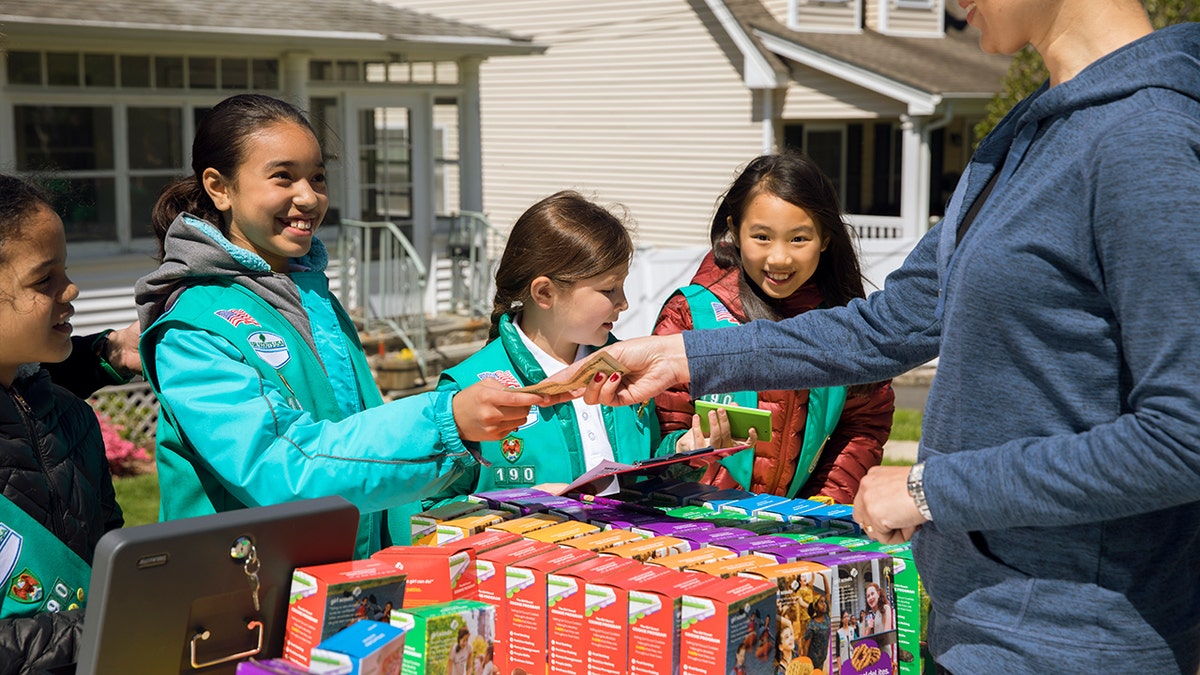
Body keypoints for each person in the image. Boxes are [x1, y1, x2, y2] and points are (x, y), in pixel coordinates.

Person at [563, 2, 1200, 671]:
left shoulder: (1146, 137)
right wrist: (682, 355)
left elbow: (1183, 434)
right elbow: (890, 323)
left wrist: (934, 488)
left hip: (1073, 641)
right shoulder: (1026, 131)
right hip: (974, 618)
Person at [135, 93, 561, 555]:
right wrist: (442, 422)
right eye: (283, 177)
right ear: (219, 187)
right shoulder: (195, 330)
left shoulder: (314, 297)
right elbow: (281, 469)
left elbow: (358, 446)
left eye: (317, 177)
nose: (308, 197)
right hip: (246, 601)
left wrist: (497, 496)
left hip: (340, 583)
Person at [652, 151, 893, 503]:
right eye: (762, 237)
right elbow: (658, 440)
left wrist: (821, 504)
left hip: (793, 531)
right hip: (698, 526)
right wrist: (688, 453)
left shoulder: (846, 321)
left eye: (798, 239)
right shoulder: (690, 315)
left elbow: (863, 422)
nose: (779, 258)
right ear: (734, 230)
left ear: (826, 238)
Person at [430, 191, 665, 499]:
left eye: (622, 286)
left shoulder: (625, 368)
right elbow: (431, 511)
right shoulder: (468, 390)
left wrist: (684, 452)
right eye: (608, 289)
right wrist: (521, 505)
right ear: (545, 294)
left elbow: (647, 466)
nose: (623, 302)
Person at [0, 174, 124, 672]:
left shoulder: (75, 419)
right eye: (43, 279)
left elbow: (111, 561)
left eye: (65, 270)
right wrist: (100, 629)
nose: (71, 288)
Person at [802, 593, 830, 671]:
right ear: (816, 607)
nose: (824, 604)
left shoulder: (827, 618)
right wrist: (804, 664)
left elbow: (828, 592)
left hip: (823, 658)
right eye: (821, 602)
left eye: (824, 602)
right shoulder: (812, 625)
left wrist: (824, 579)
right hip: (814, 661)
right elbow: (806, 646)